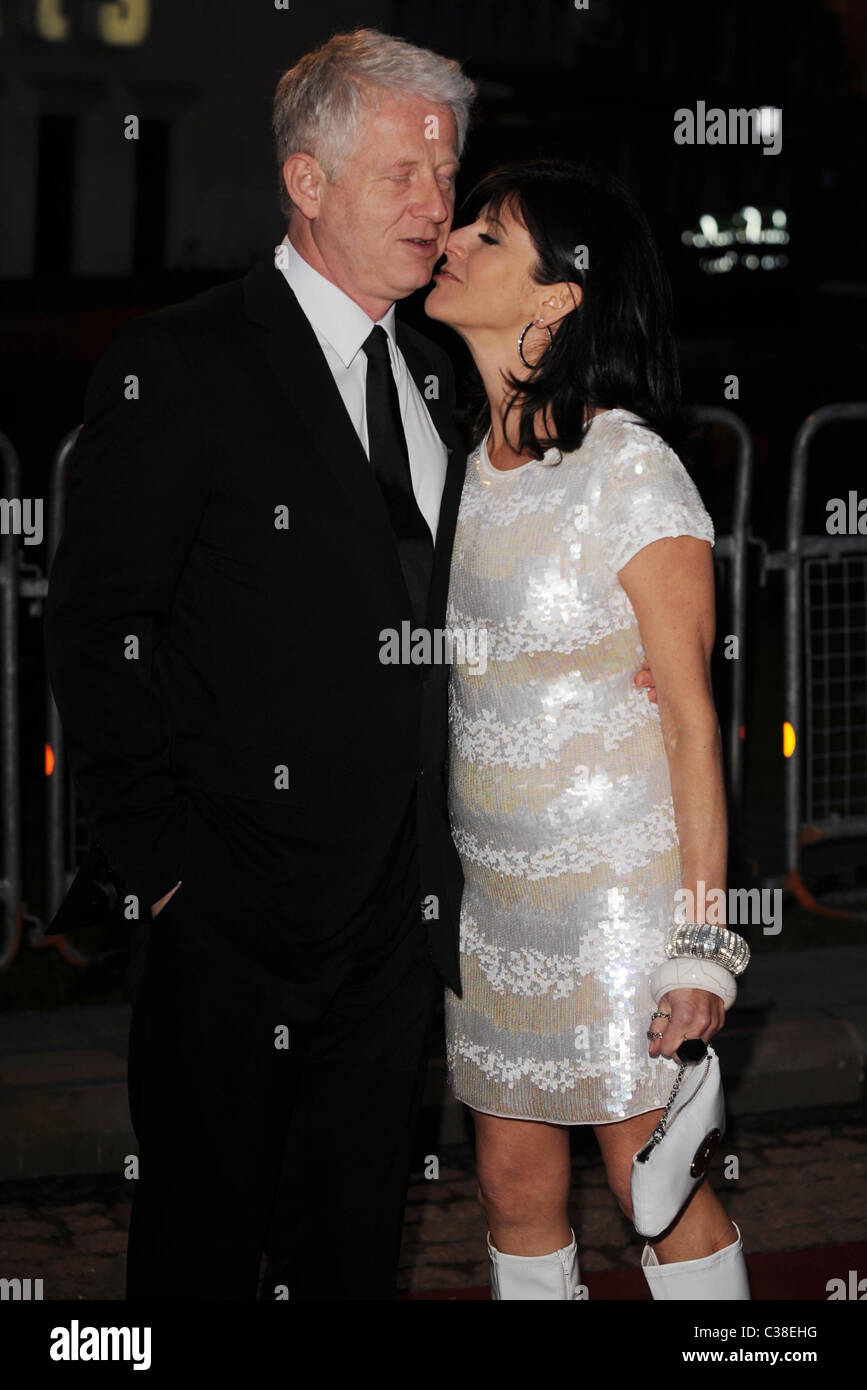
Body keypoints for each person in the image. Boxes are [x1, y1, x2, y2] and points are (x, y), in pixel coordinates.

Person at [43, 28, 476, 1302]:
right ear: (307, 181)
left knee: (352, 1248)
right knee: (201, 1252)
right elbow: (96, 628)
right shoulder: (181, 364)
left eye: (446, 177)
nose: (435, 205)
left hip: (404, 915)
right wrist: (170, 872)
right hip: (233, 914)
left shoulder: (443, 368)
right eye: (403, 174)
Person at [425, 160, 751, 1300]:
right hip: (493, 901)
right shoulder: (458, 473)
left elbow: (692, 727)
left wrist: (701, 946)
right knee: (510, 1185)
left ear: (558, 298)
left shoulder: (631, 470)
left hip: (617, 895)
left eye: (489, 235)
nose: (453, 238)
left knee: (649, 1189)